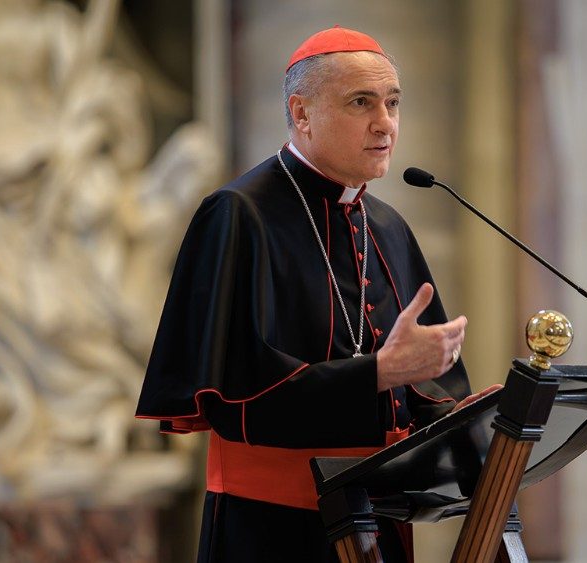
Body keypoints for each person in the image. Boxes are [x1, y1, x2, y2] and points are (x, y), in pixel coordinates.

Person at [135, 26, 499, 562]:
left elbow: (423, 397)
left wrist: (481, 416)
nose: (385, 122)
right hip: (270, 531)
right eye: (361, 102)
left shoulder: (387, 225)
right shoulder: (238, 214)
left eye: (393, 102)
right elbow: (240, 392)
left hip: (376, 521)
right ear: (301, 114)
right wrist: (379, 372)